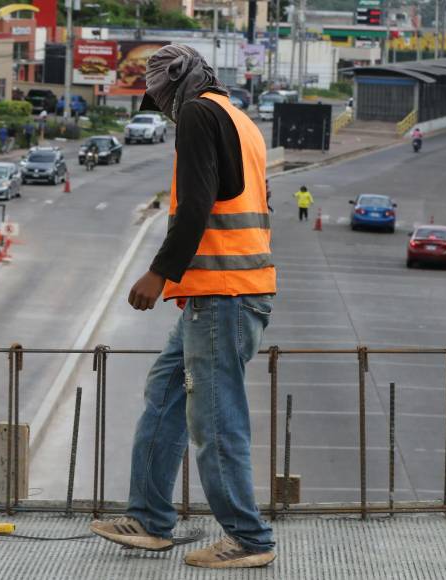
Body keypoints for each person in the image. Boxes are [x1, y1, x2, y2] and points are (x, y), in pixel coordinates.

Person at [89, 44, 277, 570]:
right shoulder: (240, 117)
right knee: (166, 393)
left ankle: (248, 538)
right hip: (225, 292)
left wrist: (160, 272)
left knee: (215, 420)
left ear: (178, 83)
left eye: (162, 98)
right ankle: (149, 520)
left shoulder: (199, 113)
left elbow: (196, 204)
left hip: (224, 295)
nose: (165, 109)